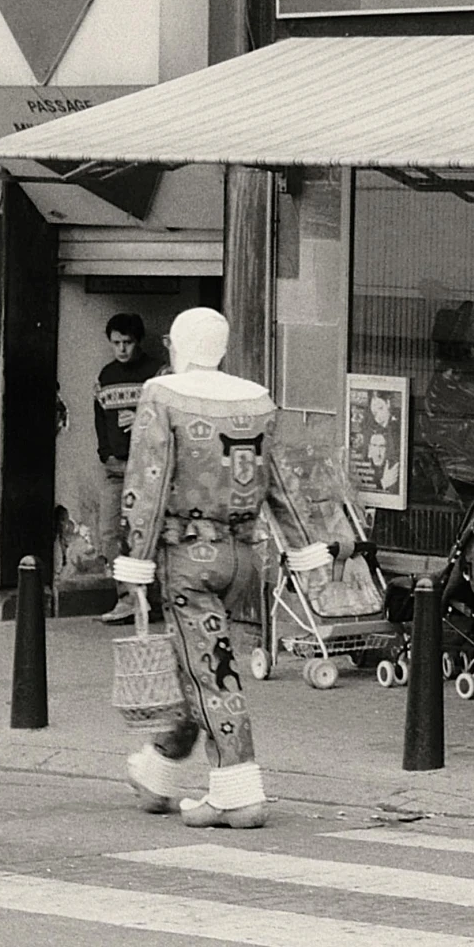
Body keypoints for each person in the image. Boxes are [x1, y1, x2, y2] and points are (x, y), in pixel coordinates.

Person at [113, 307, 301, 829]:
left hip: (188, 555)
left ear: (179, 346)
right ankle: (158, 774)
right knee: (196, 663)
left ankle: (237, 791)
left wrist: (134, 558)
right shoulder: (256, 399)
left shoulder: (162, 393)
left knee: (211, 673)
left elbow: (147, 479)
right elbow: (280, 482)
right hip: (243, 554)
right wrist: (304, 546)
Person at [94, 312, 165, 624]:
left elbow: (167, 418)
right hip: (115, 467)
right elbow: (99, 418)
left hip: (148, 468)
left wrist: (140, 420)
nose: (122, 349)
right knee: (109, 533)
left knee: (148, 534)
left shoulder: (157, 375)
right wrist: (105, 452)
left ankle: (153, 599)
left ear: (139, 342)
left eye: (127, 343)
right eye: (116, 343)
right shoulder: (106, 376)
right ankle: (127, 598)